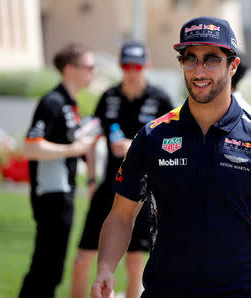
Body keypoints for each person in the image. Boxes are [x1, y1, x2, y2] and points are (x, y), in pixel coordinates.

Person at [92, 16, 251, 298]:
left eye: (211, 59)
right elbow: (121, 215)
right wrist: (106, 267)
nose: (199, 70)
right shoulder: (153, 137)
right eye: (190, 59)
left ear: (233, 65)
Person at [71, 40, 173, 298]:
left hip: (144, 189)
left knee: (134, 262)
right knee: (83, 259)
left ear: (146, 66)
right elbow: (91, 139)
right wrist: (92, 179)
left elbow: (174, 143)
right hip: (110, 186)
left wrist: (136, 146)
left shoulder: (159, 99)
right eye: (126, 65)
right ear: (120, 66)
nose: (131, 71)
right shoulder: (109, 97)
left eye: (137, 66)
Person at [19, 43, 96, 298]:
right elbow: (31, 146)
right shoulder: (52, 101)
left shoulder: (70, 102)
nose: (93, 72)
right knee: (46, 267)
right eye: (89, 66)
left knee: (52, 268)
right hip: (51, 193)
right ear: (70, 70)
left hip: (64, 192)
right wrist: (73, 149)